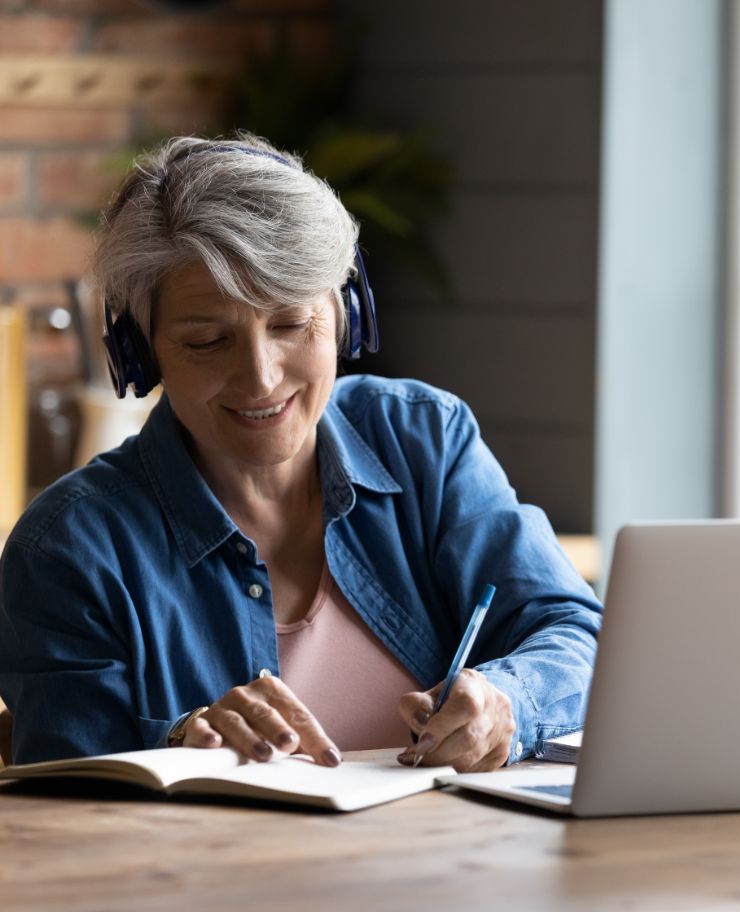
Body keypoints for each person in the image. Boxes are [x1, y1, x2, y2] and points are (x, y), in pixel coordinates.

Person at [0, 134, 602, 770]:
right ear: (142, 353)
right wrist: (182, 743)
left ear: (345, 315)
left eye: (290, 325)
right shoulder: (69, 549)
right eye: (207, 341)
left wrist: (510, 699)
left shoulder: (423, 438)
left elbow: (574, 633)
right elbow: (68, 804)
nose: (260, 378)